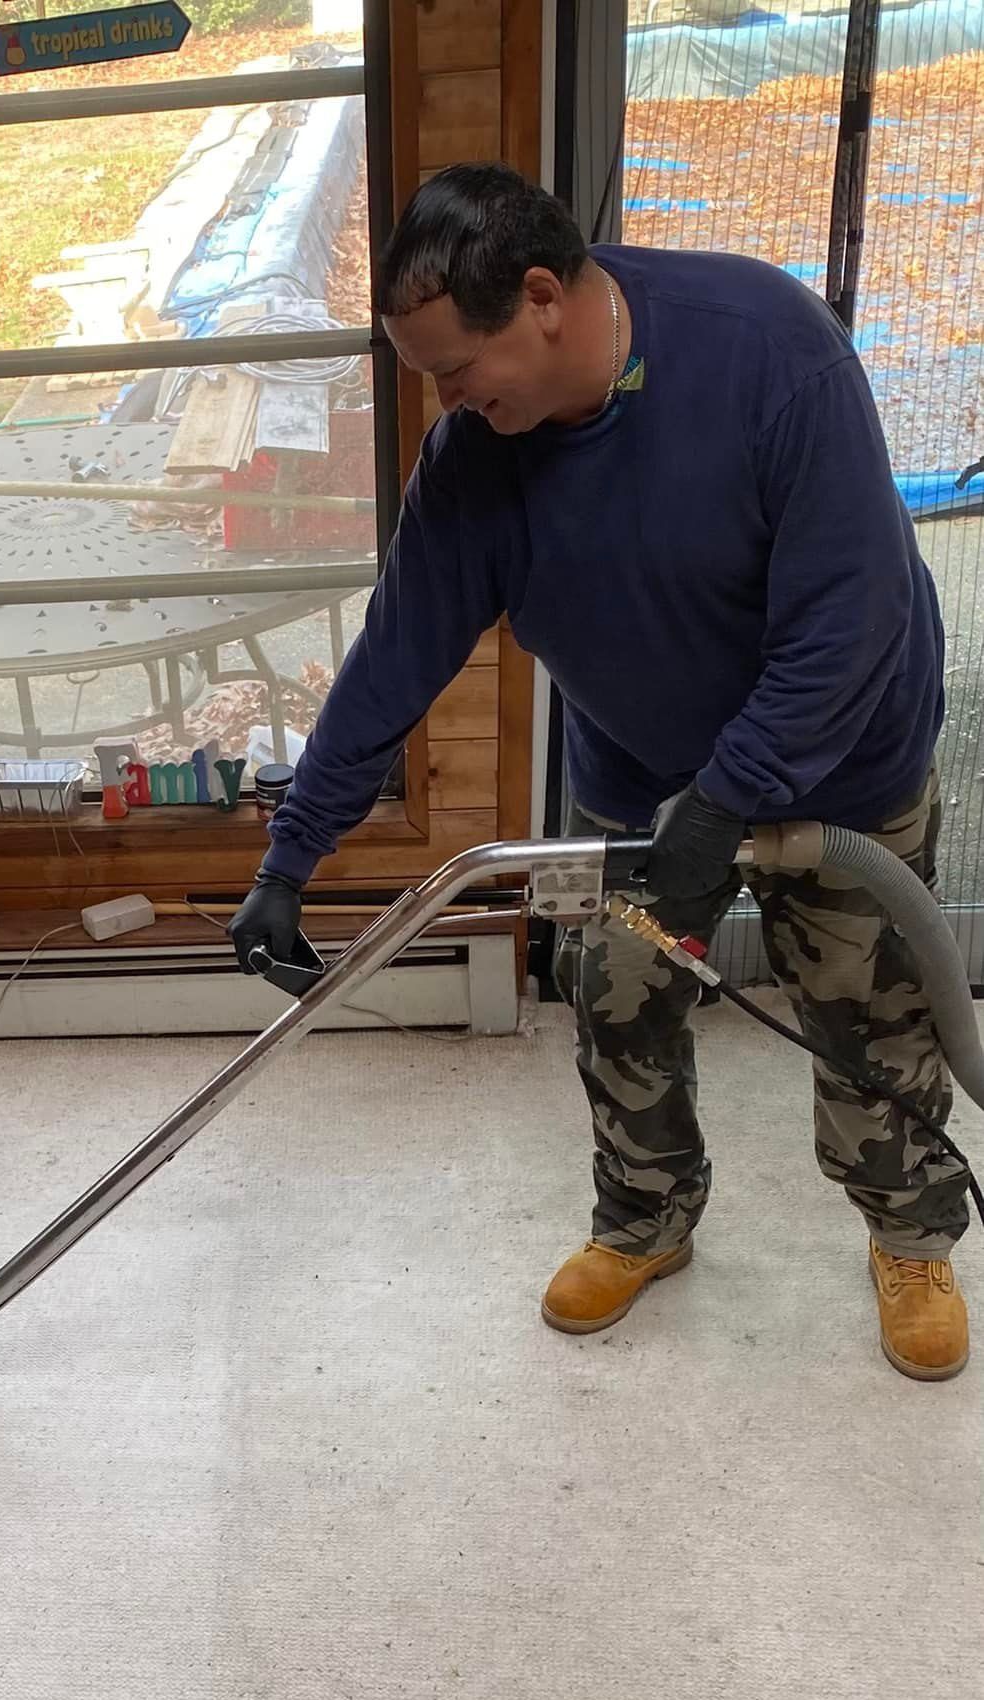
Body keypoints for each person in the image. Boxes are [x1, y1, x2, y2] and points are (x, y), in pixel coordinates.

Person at [228, 162, 968, 1381]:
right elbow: (394, 655)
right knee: (615, 994)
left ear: (539, 297)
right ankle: (642, 1217)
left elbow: (851, 616)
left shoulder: (767, 349)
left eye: (455, 369)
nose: (446, 403)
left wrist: (726, 801)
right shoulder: (476, 457)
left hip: (843, 765)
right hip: (640, 776)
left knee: (870, 1017)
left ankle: (908, 1234)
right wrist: (289, 856)